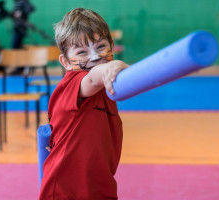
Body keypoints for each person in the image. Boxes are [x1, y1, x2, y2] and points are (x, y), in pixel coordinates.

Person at [39, 8, 128, 200]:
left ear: (112, 45)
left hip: (101, 185)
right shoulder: (74, 83)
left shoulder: (106, 85)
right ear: (66, 62)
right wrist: (111, 66)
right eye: (81, 51)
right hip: (66, 190)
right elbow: (93, 78)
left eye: (101, 46)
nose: (95, 57)